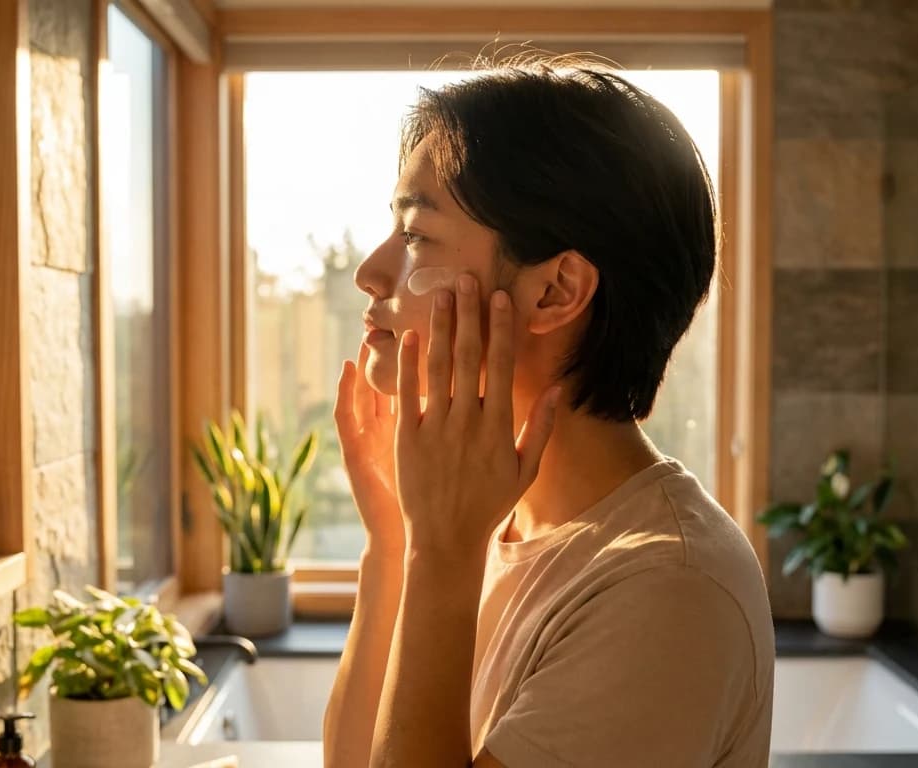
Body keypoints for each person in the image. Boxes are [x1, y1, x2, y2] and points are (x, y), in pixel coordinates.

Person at [322, 58, 774, 768]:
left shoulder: (670, 591)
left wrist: (437, 553)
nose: (371, 273)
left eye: (415, 236)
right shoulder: (492, 526)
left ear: (557, 290)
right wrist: (395, 546)